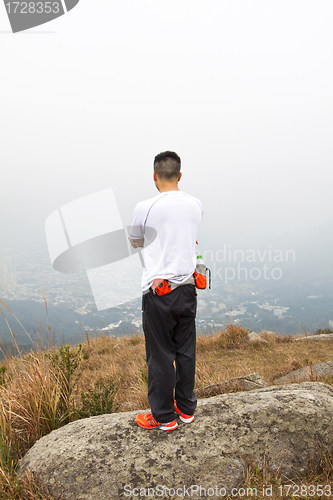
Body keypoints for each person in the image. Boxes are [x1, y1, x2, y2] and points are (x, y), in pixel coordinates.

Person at [128, 151, 203, 431]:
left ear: (154, 175)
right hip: (187, 288)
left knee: (160, 354)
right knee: (185, 351)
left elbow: (136, 241)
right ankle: (186, 410)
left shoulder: (145, 207)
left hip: (158, 292)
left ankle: (163, 417)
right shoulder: (196, 204)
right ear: (180, 175)